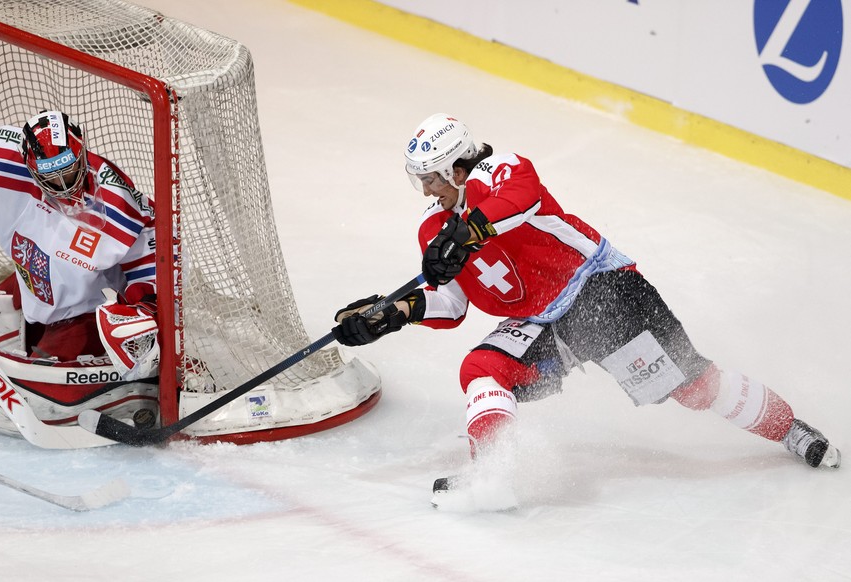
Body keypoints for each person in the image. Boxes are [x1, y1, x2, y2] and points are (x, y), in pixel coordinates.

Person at [332, 113, 841, 510]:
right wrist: (395, 311)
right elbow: (453, 302)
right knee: (481, 368)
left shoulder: (499, 170)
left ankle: (790, 429)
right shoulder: (434, 226)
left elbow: (521, 196)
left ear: (456, 169)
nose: (425, 191)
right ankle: (494, 472)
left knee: (694, 387)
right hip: (541, 320)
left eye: (431, 179)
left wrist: (469, 232)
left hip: (600, 292)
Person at [0, 110, 159, 380]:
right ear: (28, 165)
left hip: (86, 310)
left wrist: (144, 307)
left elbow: (154, 249)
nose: (64, 184)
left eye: (69, 170)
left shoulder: (116, 199)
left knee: (41, 383)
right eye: (52, 176)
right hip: (32, 281)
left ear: (81, 152)